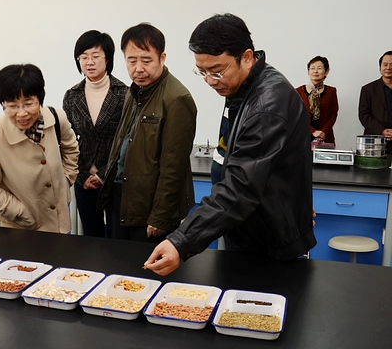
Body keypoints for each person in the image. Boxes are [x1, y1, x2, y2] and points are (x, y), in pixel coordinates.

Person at [145, 14, 316, 275]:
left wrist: (181, 241)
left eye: (216, 71)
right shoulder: (241, 86)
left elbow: (241, 186)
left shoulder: (266, 105)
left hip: (269, 243)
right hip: (249, 226)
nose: (210, 80)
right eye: (202, 72)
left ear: (246, 57)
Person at [97, 23, 197, 242]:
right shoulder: (134, 91)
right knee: (117, 261)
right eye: (131, 61)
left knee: (145, 263)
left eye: (146, 60)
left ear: (162, 58)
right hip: (122, 196)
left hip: (150, 206)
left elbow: (174, 166)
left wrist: (161, 216)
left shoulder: (177, 99)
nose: (138, 68)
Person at [0, 64, 79, 233]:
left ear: (40, 99)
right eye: (13, 106)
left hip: (59, 224)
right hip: (19, 230)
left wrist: (65, 183)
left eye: (28, 103)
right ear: (3, 103)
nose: (22, 113)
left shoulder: (57, 118)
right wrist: (21, 213)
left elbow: (71, 149)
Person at [62, 30, 128, 237]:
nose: (89, 62)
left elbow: (127, 141)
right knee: (91, 236)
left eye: (95, 56)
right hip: (83, 179)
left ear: (107, 59)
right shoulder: (72, 96)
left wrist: (102, 175)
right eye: (83, 57)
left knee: (117, 237)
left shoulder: (124, 94)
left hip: (115, 178)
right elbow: (67, 141)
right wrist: (82, 176)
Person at [296, 56, 339, 145]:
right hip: (303, 137)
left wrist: (323, 132)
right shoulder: (298, 91)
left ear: (326, 71)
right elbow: (296, 115)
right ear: (308, 71)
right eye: (312, 68)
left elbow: (333, 114)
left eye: (319, 68)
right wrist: (313, 131)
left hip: (325, 137)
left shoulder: (331, 91)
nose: (315, 71)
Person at [359, 51, 392, 153]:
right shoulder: (368, 89)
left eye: (391, 64)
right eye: (385, 64)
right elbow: (364, 115)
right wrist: (382, 130)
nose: (388, 67)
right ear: (380, 67)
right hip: (374, 141)